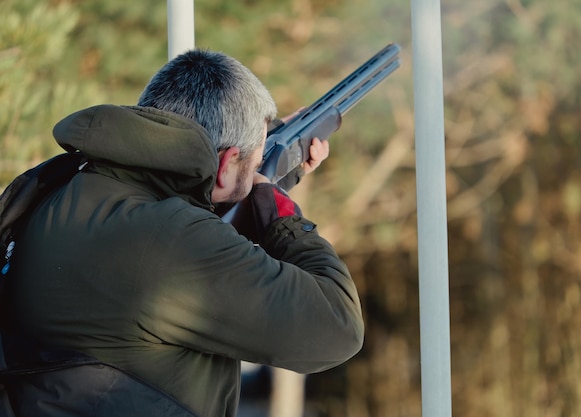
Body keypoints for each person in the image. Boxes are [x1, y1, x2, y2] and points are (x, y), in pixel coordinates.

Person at [1, 49, 364, 416]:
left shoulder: (66, 185)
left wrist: (259, 171)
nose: (257, 175)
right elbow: (336, 328)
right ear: (224, 166)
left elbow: (194, 218)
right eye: (252, 165)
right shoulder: (170, 241)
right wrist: (279, 212)